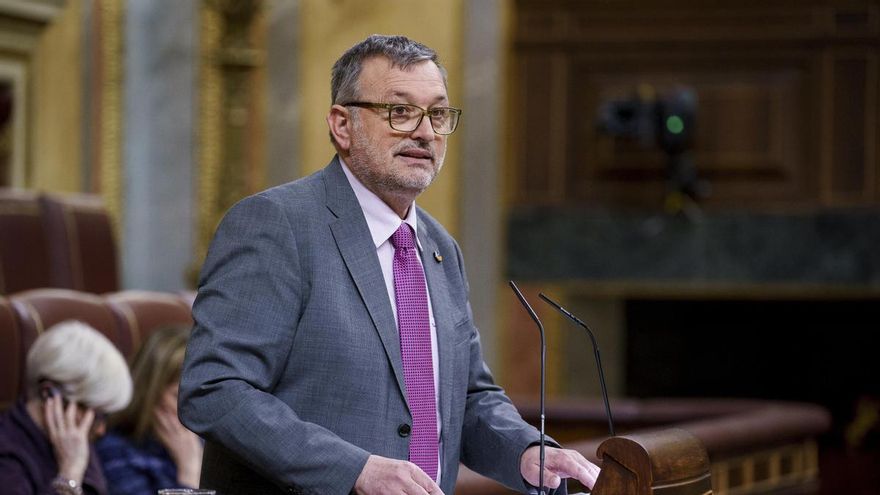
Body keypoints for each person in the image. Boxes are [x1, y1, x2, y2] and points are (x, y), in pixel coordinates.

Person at [179, 34, 601, 495]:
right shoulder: (277, 225)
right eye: (400, 112)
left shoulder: (440, 247)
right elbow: (214, 390)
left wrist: (527, 451)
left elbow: (468, 398)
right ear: (342, 125)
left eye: (437, 114)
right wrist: (354, 470)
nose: (425, 132)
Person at [0, 320, 133, 495]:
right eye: (96, 414)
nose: (101, 430)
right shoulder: (7, 454)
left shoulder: (76, 439)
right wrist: (70, 473)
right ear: (49, 394)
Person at [96, 326, 204, 495]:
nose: (196, 409)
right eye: (179, 396)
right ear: (149, 393)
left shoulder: (209, 444)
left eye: (201, 397)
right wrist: (190, 471)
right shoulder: (116, 452)